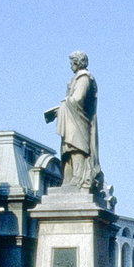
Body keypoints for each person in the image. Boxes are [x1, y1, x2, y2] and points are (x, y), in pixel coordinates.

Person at [44, 51, 102, 191]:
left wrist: (62, 106)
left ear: (77, 63)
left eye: (71, 63)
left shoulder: (84, 78)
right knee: (68, 149)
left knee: (77, 147)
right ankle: (69, 179)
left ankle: (79, 179)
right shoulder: (77, 78)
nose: (70, 66)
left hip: (79, 120)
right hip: (71, 118)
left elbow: (78, 98)